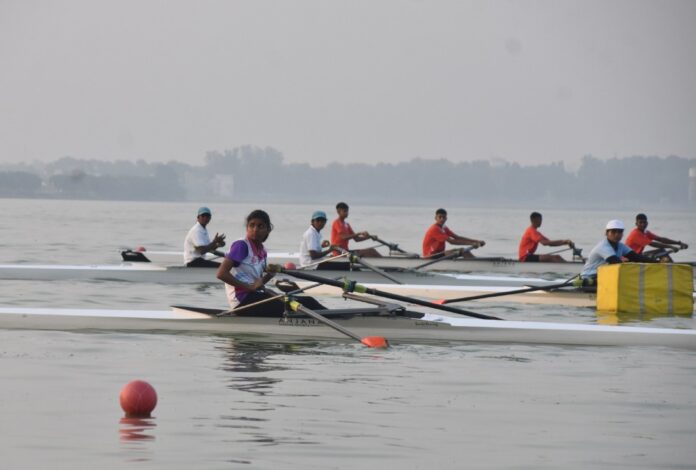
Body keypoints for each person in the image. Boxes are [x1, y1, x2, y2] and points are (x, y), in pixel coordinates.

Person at [217, 210, 325, 316]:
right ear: (247, 228)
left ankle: (339, 317)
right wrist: (249, 288)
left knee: (309, 301)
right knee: (298, 305)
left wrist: (271, 274)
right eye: (252, 225)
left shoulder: (262, 251)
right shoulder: (241, 246)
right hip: (242, 301)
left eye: (260, 226)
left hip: (255, 296)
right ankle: (336, 319)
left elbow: (258, 284)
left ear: (268, 229)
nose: (255, 229)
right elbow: (221, 274)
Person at [580, 219, 656, 285]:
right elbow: (616, 262)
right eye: (613, 232)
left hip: (603, 276)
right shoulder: (603, 246)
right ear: (606, 233)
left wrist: (658, 263)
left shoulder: (620, 246)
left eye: (619, 232)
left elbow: (636, 257)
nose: (617, 234)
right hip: (589, 278)